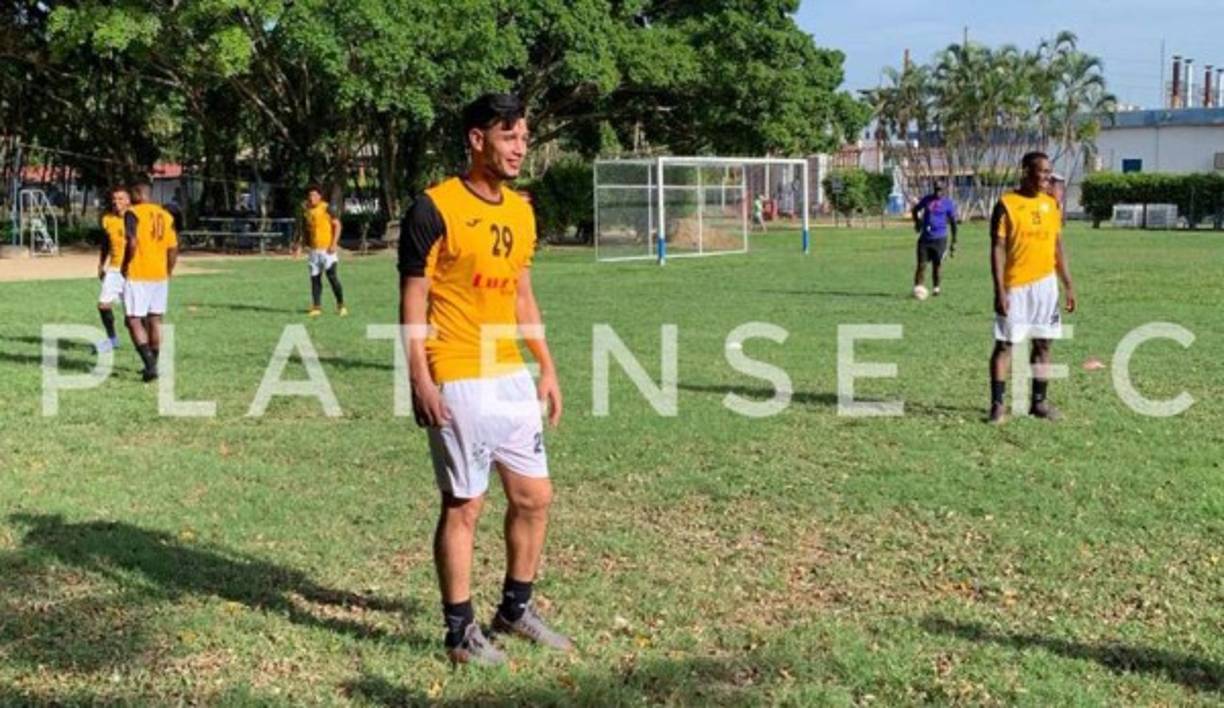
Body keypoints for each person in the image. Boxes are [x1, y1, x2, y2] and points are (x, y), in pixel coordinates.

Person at [399, 93, 569, 666]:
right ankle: (460, 632)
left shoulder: (521, 210)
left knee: (534, 497)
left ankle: (515, 610)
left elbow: (523, 295)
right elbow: (413, 300)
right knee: (465, 505)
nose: (520, 146)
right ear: (477, 140)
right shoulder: (433, 208)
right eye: (508, 136)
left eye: (524, 136)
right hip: (457, 372)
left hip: (510, 374)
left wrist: (545, 365)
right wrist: (418, 378)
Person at [988, 152, 1077, 424]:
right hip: (1016, 286)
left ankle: (1039, 403)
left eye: (1049, 172)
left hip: (1046, 286)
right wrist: (1000, 290)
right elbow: (997, 249)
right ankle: (998, 405)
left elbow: (1057, 247)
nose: (1046, 177)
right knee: (1005, 345)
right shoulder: (1006, 204)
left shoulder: (1051, 205)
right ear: (1026, 171)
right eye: (1041, 171)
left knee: (1043, 343)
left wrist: (1068, 285)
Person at [122, 182, 179, 382]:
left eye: (131, 194)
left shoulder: (132, 213)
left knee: (133, 320)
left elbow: (132, 242)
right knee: (155, 319)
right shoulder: (166, 215)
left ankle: (149, 365)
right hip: (159, 275)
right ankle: (153, 364)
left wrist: (125, 264)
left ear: (138, 194)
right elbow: (173, 248)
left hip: (138, 273)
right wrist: (168, 270)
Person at [95, 186, 136, 353]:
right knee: (103, 305)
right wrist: (101, 264)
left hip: (133, 269)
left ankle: (144, 345)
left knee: (131, 317)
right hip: (114, 269)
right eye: (114, 199)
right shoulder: (107, 219)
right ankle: (112, 339)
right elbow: (105, 244)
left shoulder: (135, 218)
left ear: (128, 200)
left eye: (120, 198)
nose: (116, 202)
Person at [298, 185, 347, 317]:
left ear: (320, 196)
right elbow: (304, 230)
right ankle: (316, 307)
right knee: (315, 279)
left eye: (314, 195)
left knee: (332, 277)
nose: (311, 198)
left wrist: (334, 244)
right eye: (309, 195)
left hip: (327, 250)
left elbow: (337, 225)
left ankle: (341, 305)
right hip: (314, 251)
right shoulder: (307, 210)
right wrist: (301, 246)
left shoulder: (327, 208)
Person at [910, 182, 958, 296]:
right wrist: (917, 222)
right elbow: (915, 210)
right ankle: (918, 288)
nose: (938, 192)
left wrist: (954, 241)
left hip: (940, 239)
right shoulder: (927, 200)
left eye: (940, 190)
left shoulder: (948, 204)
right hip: (925, 238)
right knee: (921, 264)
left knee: (937, 265)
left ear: (944, 190)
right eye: (936, 189)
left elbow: (953, 223)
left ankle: (936, 288)